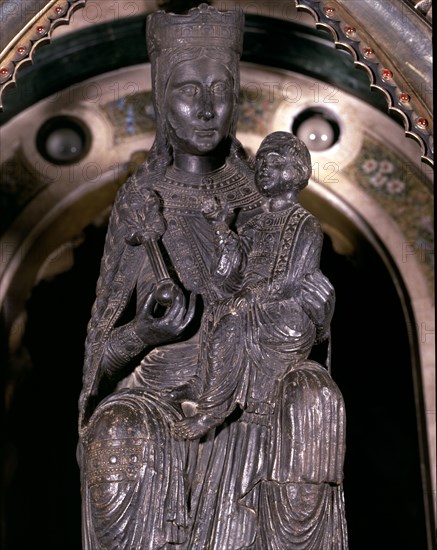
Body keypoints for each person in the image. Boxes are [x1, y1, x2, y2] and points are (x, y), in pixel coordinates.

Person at [78, 5, 348, 549]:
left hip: (255, 385)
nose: (206, 108)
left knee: (315, 397)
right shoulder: (140, 204)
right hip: (156, 394)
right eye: (186, 90)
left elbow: (299, 296)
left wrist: (315, 312)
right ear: (160, 95)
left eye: (220, 88)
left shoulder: (263, 197)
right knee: (117, 431)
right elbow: (100, 361)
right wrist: (144, 333)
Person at [171, 131, 334, 441]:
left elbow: (291, 279)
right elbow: (231, 273)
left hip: (285, 316)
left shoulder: (304, 223)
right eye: (260, 163)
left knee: (232, 322)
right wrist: (220, 226)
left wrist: (249, 298)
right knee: (217, 312)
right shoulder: (255, 222)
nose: (263, 169)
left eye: (273, 163)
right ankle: (206, 381)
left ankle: (211, 411)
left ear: (294, 170)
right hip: (251, 305)